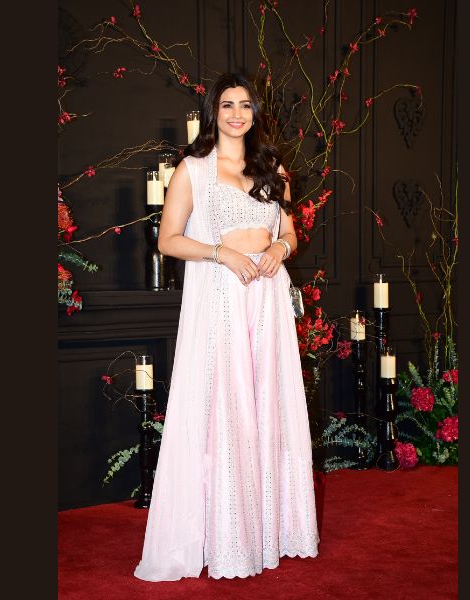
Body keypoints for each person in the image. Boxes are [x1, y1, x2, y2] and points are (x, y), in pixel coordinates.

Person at [134, 72, 319, 581]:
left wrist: (280, 247)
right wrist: (222, 254)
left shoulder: (272, 168)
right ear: (213, 112)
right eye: (227, 105)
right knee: (229, 405)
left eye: (245, 105)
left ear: (255, 112)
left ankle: (272, 529)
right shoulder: (193, 169)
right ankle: (228, 534)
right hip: (223, 296)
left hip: (267, 297)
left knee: (268, 402)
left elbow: (289, 231)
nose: (237, 114)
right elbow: (168, 240)